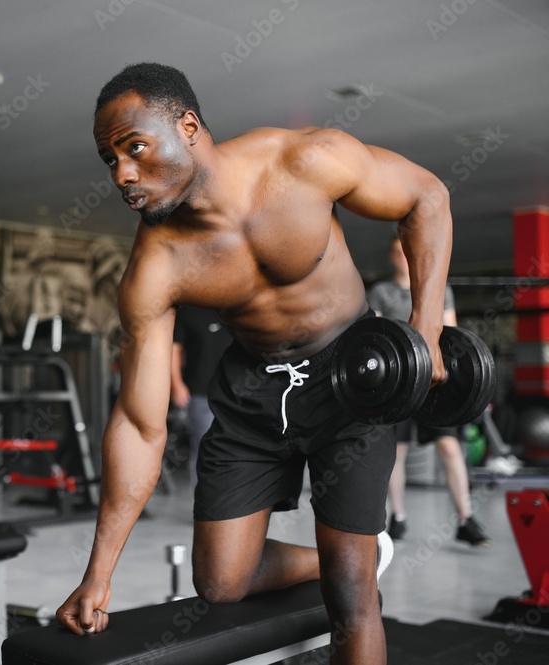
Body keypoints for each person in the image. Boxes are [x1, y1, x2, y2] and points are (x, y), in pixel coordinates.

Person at [56, 63, 453, 665]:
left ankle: (355, 561)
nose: (122, 175)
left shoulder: (304, 162)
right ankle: (357, 551)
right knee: (219, 583)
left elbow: (427, 197)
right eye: (109, 161)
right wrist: (98, 574)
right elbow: (140, 423)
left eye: (133, 148)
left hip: (351, 378)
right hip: (252, 392)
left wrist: (423, 335)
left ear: (188, 126)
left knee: (352, 596)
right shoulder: (155, 269)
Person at [367, 237, 490, 546]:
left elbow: (452, 337)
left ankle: (465, 519)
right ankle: (398, 517)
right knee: (398, 452)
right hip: (400, 386)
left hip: (436, 382)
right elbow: (379, 337)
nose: (403, 256)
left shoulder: (438, 289)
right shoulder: (381, 292)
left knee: (449, 447)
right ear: (392, 257)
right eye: (397, 251)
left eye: (407, 250)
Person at [169, 305, 232, 489]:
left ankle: (231, 506)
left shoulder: (235, 307)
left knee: (236, 449)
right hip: (199, 392)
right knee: (206, 447)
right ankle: (205, 507)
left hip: (237, 392)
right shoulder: (188, 311)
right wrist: (177, 384)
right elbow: (175, 350)